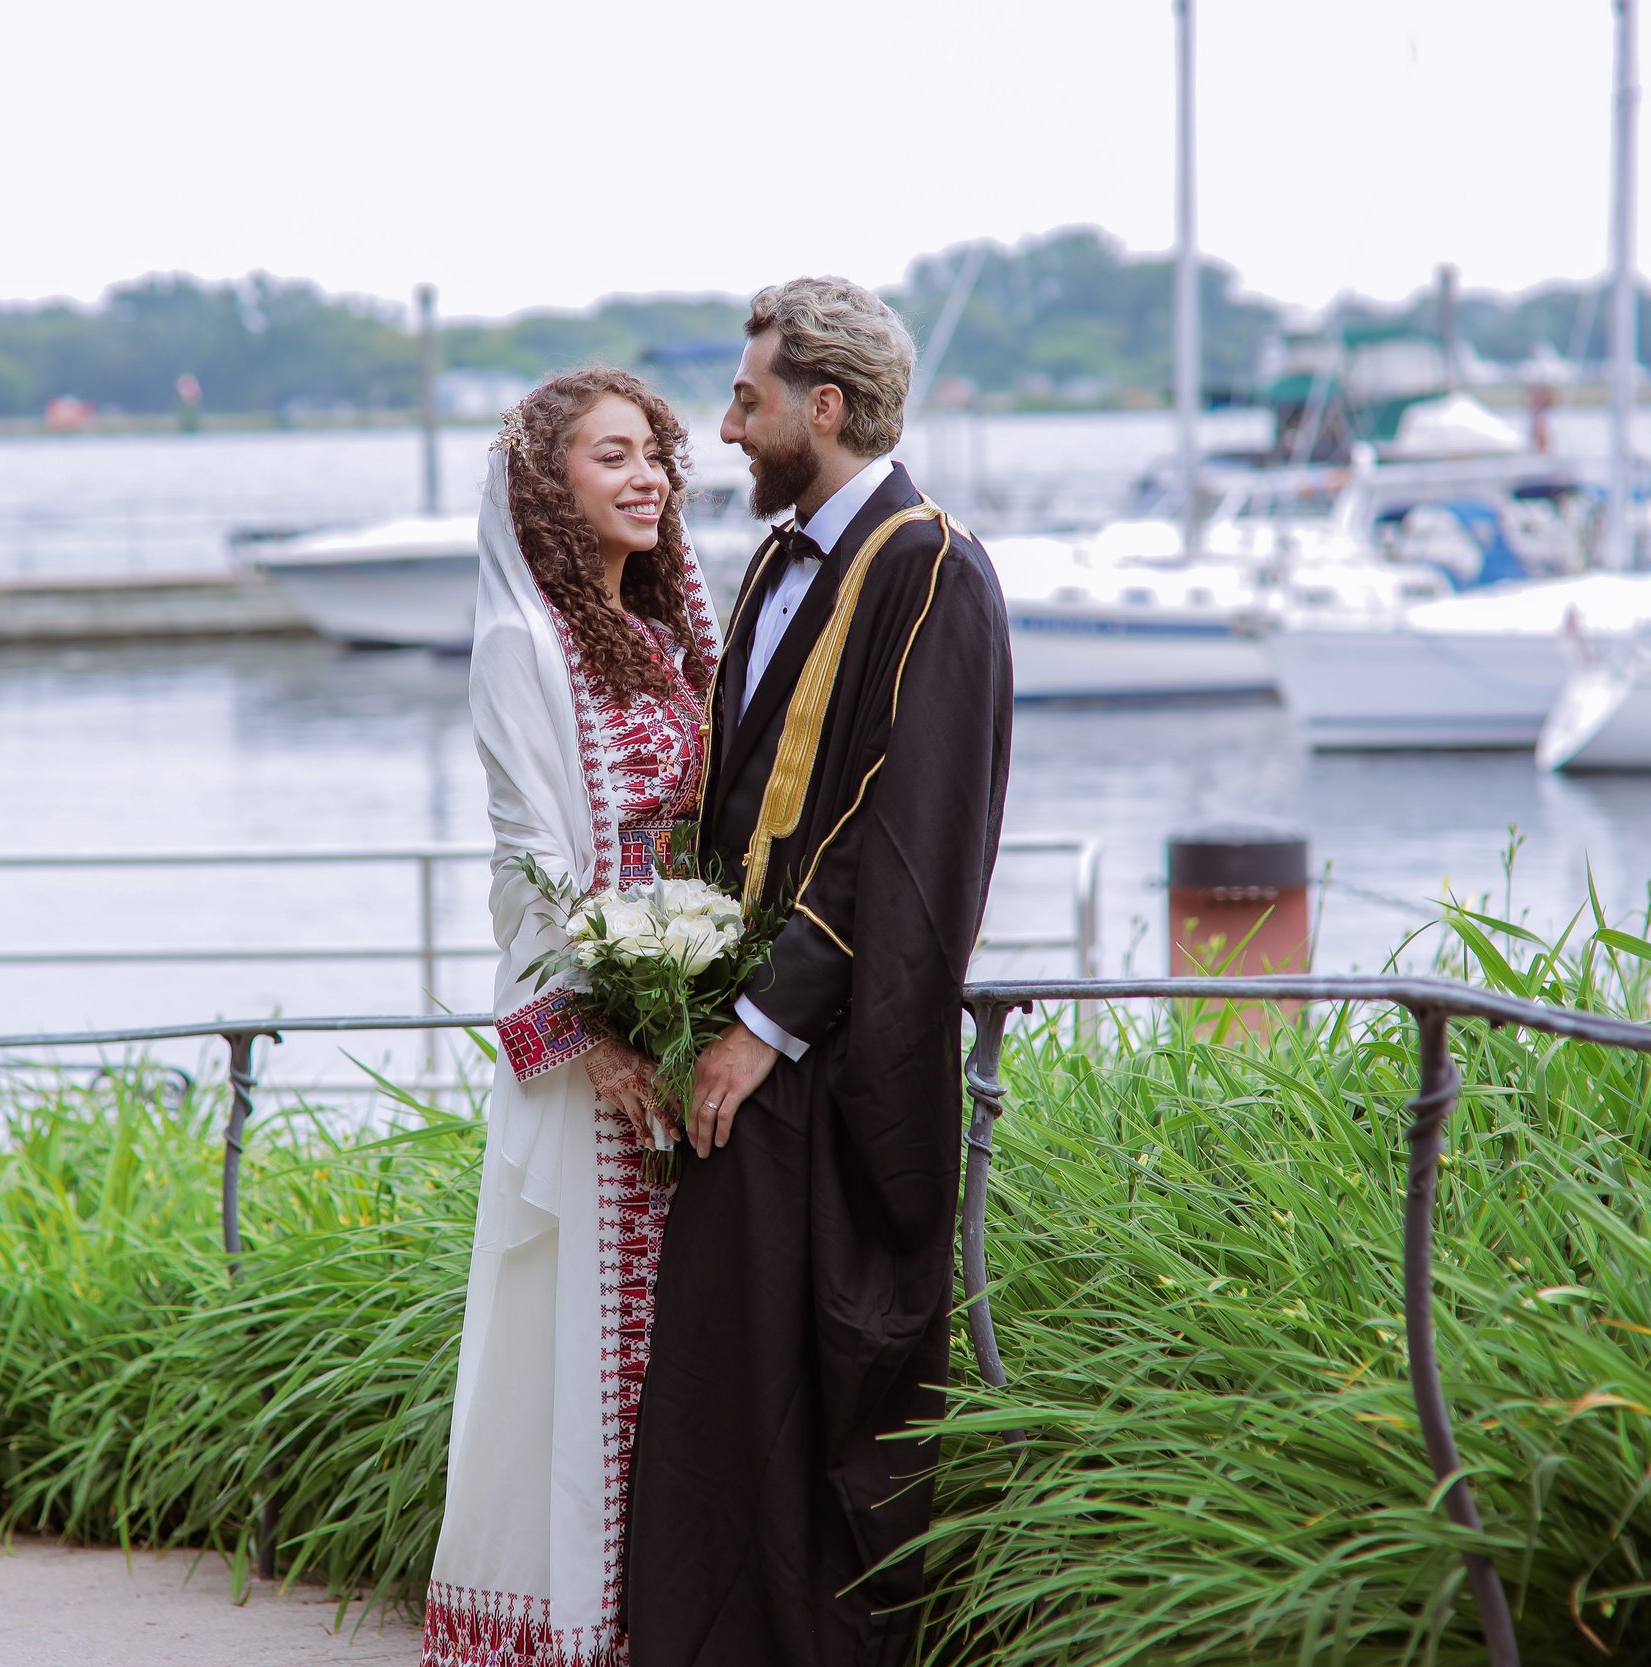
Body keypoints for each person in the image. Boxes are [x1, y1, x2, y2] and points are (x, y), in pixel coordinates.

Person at [626, 278, 1015, 1667]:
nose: (726, 431)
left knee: (826, 1414)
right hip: (740, 1052)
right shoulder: (779, 561)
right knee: (729, 1410)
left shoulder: (934, 571)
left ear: (824, 407)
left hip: (825, 1064)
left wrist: (766, 1027)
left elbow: (912, 844)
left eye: (746, 401)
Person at [423, 368, 724, 1667]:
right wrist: (591, 1039)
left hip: (688, 1026)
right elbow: (527, 863)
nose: (649, 473)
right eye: (614, 456)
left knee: (678, 1359)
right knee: (585, 1352)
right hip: (591, 1056)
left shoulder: (660, 642)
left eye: (656, 450)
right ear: (552, 486)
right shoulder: (523, 647)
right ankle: (575, 1634)